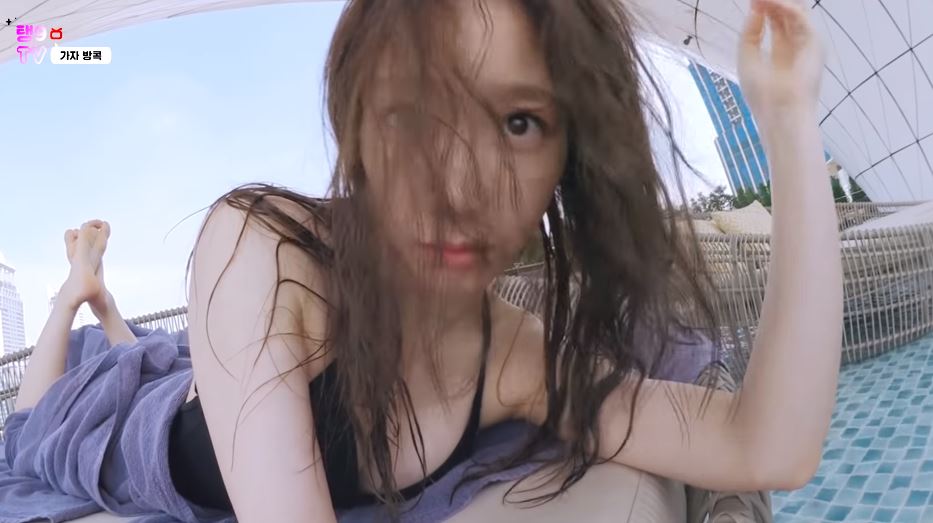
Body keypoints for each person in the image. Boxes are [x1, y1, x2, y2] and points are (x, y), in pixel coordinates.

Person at [13, 0, 842, 521]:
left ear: (566, 161)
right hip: (139, 419)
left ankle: (109, 310)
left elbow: (764, 445)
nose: (460, 183)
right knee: (39, 415)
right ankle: (76, 293)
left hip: (219, 365)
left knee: (166, 355)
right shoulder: (263, 246)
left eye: (518, 123)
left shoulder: (510, 356)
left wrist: (788, 120)